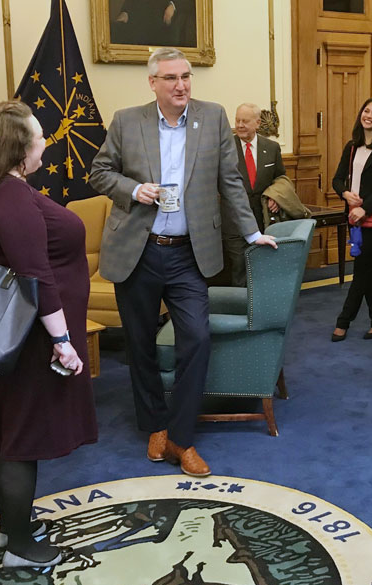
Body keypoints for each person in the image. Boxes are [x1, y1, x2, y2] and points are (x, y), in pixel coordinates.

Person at [89, 47, 276, 478]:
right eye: (170, 78)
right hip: (137, 250)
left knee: (196, 338)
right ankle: (155, 425)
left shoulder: (211, 118)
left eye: (186, 76)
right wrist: (135, 191)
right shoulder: (126, 120)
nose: (181, 85)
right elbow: (99, 171)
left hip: (189, 253)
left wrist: (251, 232)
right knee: (140, 346)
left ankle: (181, 434)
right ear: (152, 83)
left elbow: (231, 181)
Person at [0, 100, 97, 568]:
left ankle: (12, 531)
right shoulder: (11, 201)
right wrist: (65, 341)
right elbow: (36, 276)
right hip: (32, 341)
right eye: (37, 136)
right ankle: (21, 549)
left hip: (18, 335)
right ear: (16, 147)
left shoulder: (0, 190)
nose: (45, 142)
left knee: (9, 430)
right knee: (22, 436)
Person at [330, 98, 372, 342]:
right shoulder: (352, 146)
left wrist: (365, 207)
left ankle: (343, 320)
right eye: (366, 111)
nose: (369, 115)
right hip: (352, 215)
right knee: (366, 266)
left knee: (361, 265)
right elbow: (337, 180)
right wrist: (345, 194)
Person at [222, 102, 286, 286]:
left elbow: (281, 178)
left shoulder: (272, 148)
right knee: (240, 269)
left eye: (245, 121)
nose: (240, 125)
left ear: (257, 123)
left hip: (264, 219)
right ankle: (242, 310)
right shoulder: (225, 147)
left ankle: (262, 309)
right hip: (233, 221)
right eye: (237, 120)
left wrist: (276, 195)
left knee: (263, 268)